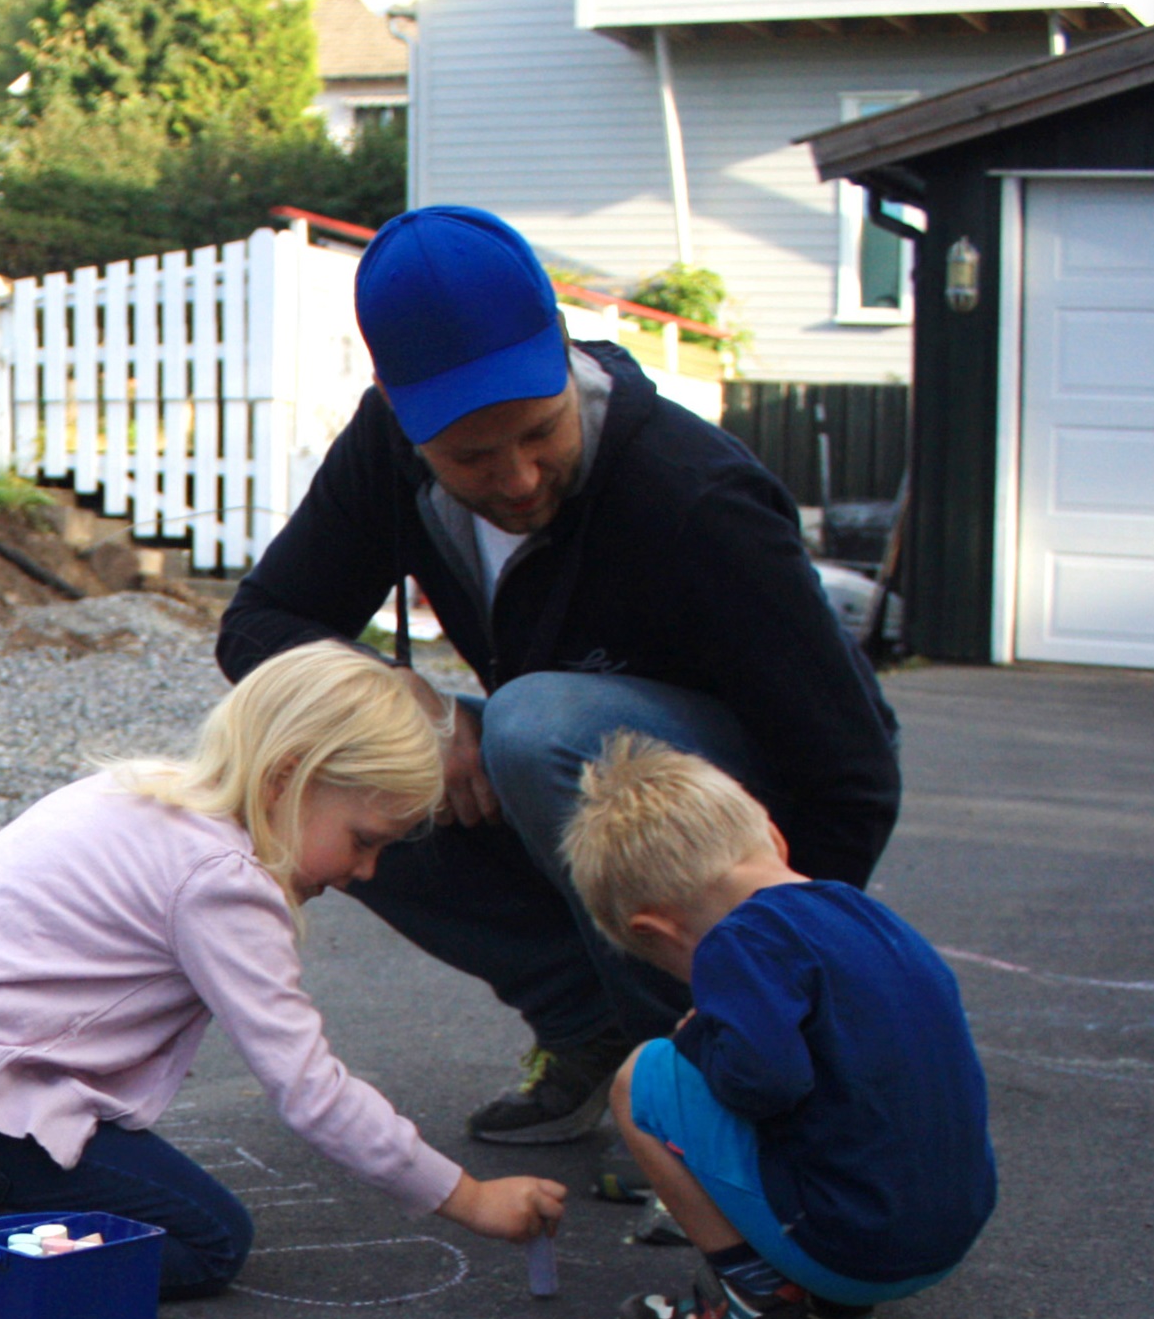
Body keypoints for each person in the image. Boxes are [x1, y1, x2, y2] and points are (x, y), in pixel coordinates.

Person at [217, 205, 902, 1150]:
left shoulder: (694, 494)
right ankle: (595, 1033)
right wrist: (413, 705)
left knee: (534, 724)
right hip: (575, 778)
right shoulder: (384, 451)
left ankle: (705, 1077)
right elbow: (257, 628)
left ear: (563, 353)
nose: (521, 477)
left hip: (743, 792)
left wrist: (790, 975)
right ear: (400, 411)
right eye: (472, 457)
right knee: (315, 763)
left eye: (541, 430)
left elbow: (850, 769)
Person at [0, 640, 565, 1305]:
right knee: (209, 1241)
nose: (369, 870)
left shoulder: (154, 794)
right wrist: (468, 1197)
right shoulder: (225, 880)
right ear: (288, 780)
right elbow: (309, 1088)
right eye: (363, 837)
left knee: (133, 1180)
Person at [562, 734, 995, 1319]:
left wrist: (697, 1034)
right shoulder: (870, 919)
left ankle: (749, 1304)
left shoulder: (738, 942)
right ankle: (834, 1294)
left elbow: (763, 1081)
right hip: (942, 1239)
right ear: (773, 836)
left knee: (643, 1078)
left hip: (853, 1247)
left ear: (655, 930)